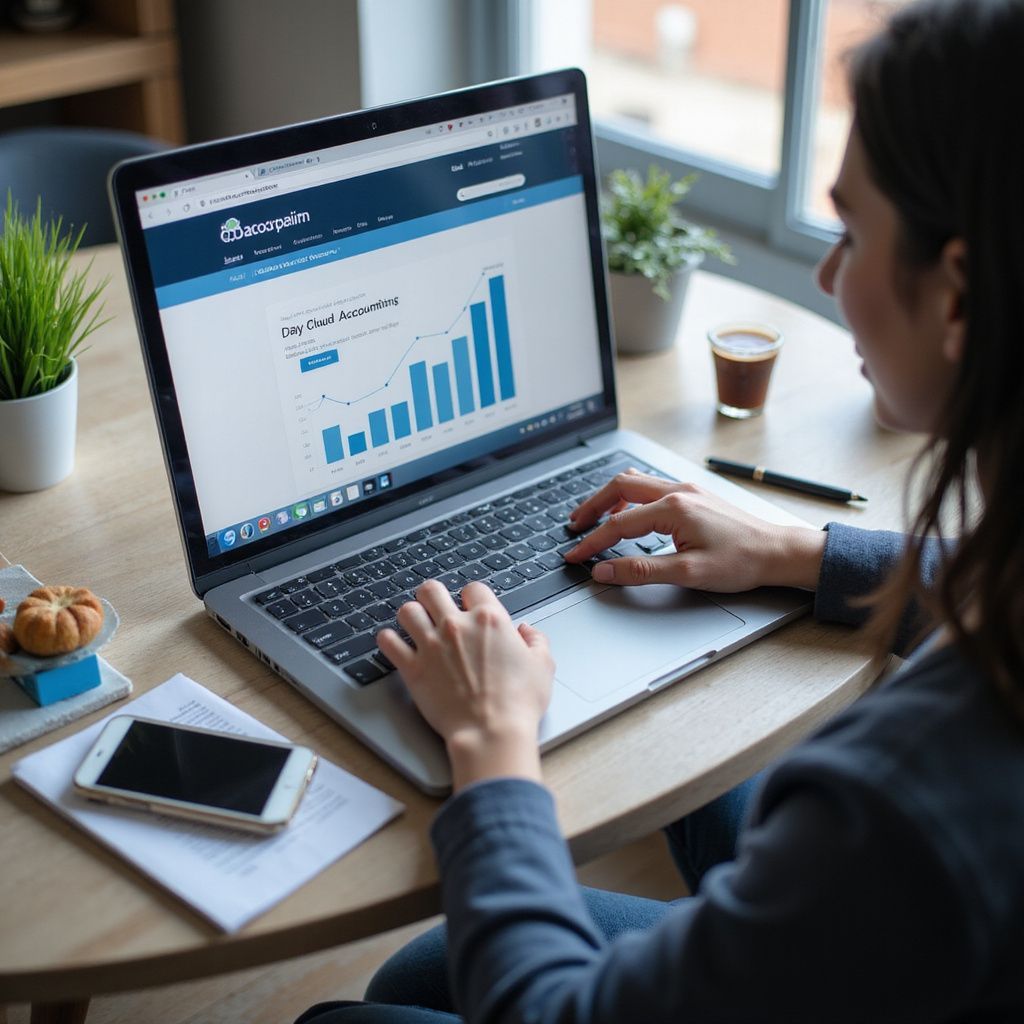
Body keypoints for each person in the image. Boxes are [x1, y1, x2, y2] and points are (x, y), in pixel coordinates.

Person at [296, 1, 1024, 1020]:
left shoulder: (898, 802)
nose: (825, 274)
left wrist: (495, 743)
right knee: (425, 970)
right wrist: (799, 549)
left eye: (850, 233)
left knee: (345, 1019)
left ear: (954, 298)